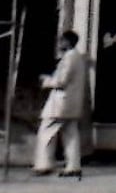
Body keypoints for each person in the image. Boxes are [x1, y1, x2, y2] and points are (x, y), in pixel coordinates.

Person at [33, 30, 87, 178]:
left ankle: (44, 165)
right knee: (71, 134)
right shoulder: (78, 58)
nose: (59, 43)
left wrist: (46, 81)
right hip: (72, 104)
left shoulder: (68, 58)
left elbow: (61, 81)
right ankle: (73, 166)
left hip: (60, 103)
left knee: (46, 131)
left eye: (62, 40)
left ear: (68, 42)